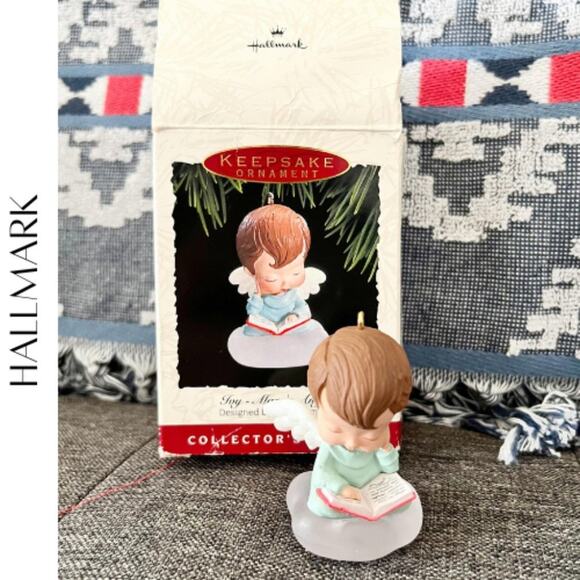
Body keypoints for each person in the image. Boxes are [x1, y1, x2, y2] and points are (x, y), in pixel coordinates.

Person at [306, 324, 413, 518]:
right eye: (335, 429)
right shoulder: (331, 450)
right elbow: (323, 473)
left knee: (403, 505)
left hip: (372, 490)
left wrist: (385, 451)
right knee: (324, 508)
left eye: (370, 436)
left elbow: (391, 469)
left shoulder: (379, 445)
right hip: (340, 493)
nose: (351, 444)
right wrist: (343, 488)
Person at [235, 200, 312, 336]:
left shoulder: (293, 294)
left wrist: (295, 315)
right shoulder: (261, 298)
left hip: (289, 330)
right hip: (264, 331)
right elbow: (252, 312)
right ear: (250, 272)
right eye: (271, 279)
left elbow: (303, 308)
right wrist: (257, 296)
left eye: (296, 273)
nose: (285, 283)